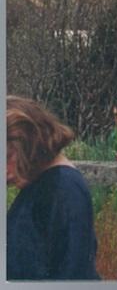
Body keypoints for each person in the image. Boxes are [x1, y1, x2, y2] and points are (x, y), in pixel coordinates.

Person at [6, 96, 101, 280]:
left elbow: (73, 275)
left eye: (7, 157)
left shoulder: (64, 189)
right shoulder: (41, 185)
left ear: (29, 143)